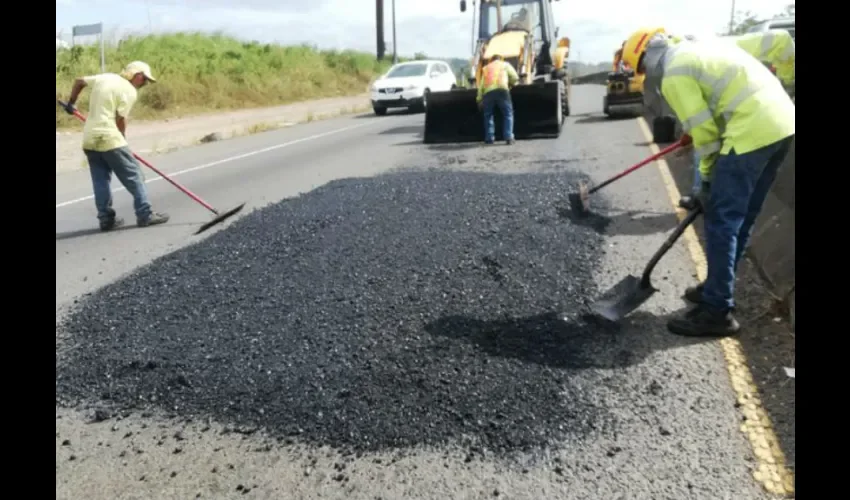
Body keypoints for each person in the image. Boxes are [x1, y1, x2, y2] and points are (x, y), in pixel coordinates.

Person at [621, 27, 795, 337]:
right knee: (742, 218)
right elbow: (779, 40)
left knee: (721, 220)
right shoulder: (705, 42)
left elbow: (707, 137)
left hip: (750, 133)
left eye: (643, 69)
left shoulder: (673, 73)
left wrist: (707, 182)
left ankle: (717, 310)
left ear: (649, 57)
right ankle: (717, 286)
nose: (647, 76)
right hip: (783, 123)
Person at [678, 29, 794, 210]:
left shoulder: (727, 47)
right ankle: (705, 194)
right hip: (745, 111)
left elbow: (783, 39)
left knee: (708, 148)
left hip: (752, 114)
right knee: (707, 145)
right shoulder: (704, 57)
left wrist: (787, 80)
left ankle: (705, 194)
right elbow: (696, 107)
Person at [62, 61, 170, 231]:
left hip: (90, 139)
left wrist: (71, 103)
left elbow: (79, 81)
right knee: (135, 176)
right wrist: (123, 139)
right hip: (110, 138)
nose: (145, 84)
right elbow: (120, 119)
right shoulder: (129, 91)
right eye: (145, 80)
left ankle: (106, 219)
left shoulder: (105, 77)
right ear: (137, 75)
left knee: (100, 181)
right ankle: (145, 214)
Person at [476, 54, 520, 145]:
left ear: (491, 61)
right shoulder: (505, 65)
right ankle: (509, 137)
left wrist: (479, 99)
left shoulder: (486, 68)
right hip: (502, 90)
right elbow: (515, 77)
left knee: (488, 115)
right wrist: (511, 84)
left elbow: (481, 86)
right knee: (508, 114)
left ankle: (489, 138)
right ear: (501, 59)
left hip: (488, 93)